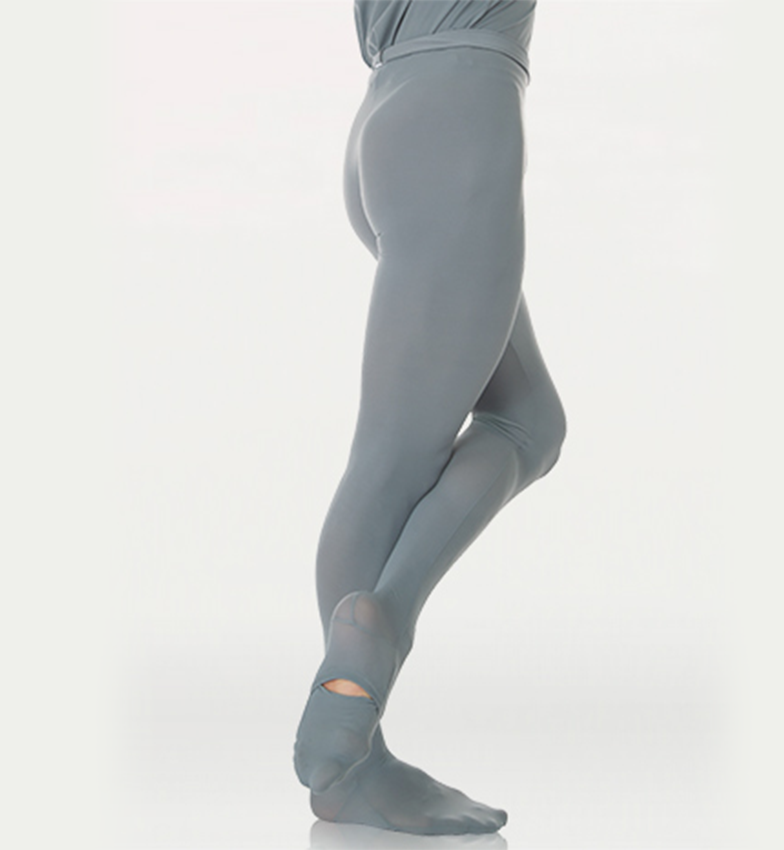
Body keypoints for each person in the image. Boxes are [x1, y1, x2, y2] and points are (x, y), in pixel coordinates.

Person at [293, 0, 566, 836]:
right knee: (391, 456)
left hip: (394, 112)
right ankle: (362, 709)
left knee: (531, 423)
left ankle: (367, 670)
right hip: (461, 114)